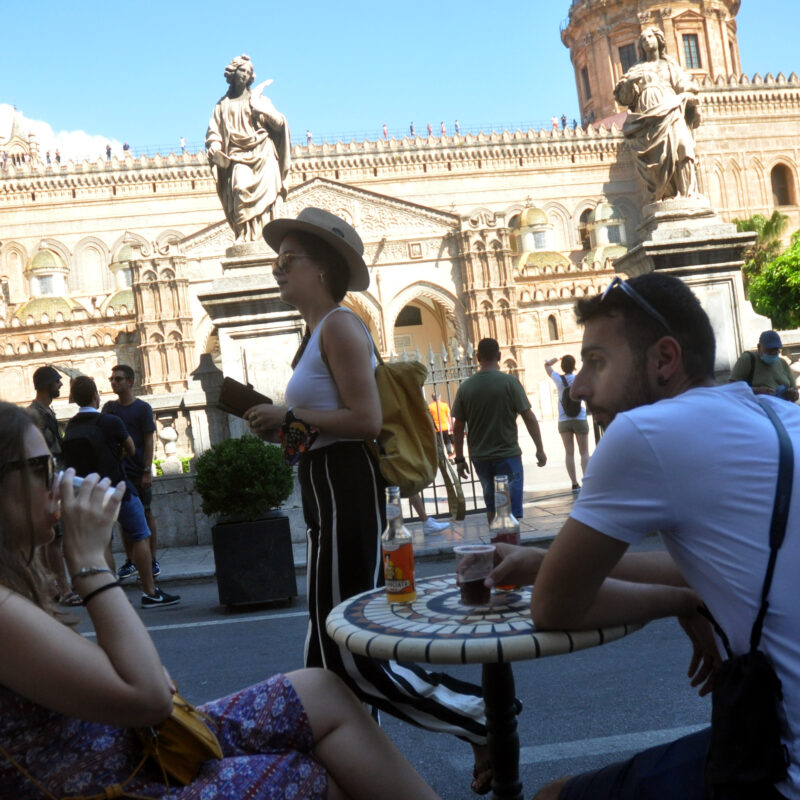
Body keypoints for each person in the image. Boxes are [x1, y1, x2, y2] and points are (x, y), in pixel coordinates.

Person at [0, 400, 443, 800]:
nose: (58, 483)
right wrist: (90, 564)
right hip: (118, 778)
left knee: (323, 691)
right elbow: (150, 697)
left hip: (131, 749)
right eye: (41, 468)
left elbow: (147, 683)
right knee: (306, 775)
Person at [487, 273, 800, 800]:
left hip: (783, 768)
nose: (581, 386)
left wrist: (678, 603)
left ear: (664, 359)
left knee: (547, 797)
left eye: (597, 361)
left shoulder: (644, 433)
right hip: (770, 731)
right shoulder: (778, 412)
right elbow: (712, 568)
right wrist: (546, 563)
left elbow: (552, 608)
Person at [246, 207, 492, 795]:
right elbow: (327, 426)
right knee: (322, 646)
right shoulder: (315, 333)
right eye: (277, 262)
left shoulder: (339, 326)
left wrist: (291, 416)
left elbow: (365, 420)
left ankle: (481, 717)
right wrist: (284, 432)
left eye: (290, 261)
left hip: (349, 489)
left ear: (324, 269)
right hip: (326, 490)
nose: (278, 270)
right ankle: (354, 768)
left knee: (348, 648)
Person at [65, 376, 179, 608]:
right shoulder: (110, 422)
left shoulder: (72, 425)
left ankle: (113, 595)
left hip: (91, 491)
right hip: (118, 488)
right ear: (96, 395)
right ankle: (149, 591)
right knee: (139, 535)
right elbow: (131, 448)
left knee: (105, 542)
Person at [452, 338, 547, 521]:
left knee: (492, 507)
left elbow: (457, 426)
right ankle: (511, 546)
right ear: (500, 356)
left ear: (478, 357)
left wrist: (459, 459)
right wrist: (539, 449)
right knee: (510, 510)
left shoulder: (466, 388)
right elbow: (529, 417)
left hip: (481, 457)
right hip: (508, 455)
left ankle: (497, 546)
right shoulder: (510, 382)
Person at [206, 54, 291, 244]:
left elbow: (279, 124)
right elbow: (214, 132)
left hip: (263, 153)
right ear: (233, 73)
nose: (245, 74)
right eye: (242, 70)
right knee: (239, 188)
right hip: (237, 155)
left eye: (248, 72)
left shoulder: (260, 100)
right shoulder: (222, 106)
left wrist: (262, 111)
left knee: (268, 199)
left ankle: (264, 238)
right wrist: (215, 146)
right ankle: (245, 235)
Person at [613, 26, 701, 201]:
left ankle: (688, 193)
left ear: (659, 40)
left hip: (672, 107)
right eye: (643, 38)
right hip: (647, 117)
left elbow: (684, 84)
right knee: (658, 158)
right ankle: (666, 193)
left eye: (650, 36)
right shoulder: (635, 69)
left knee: (683, 145)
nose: (647, 40)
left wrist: (689, 95)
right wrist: (629, 83)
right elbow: (624, 98)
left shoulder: (669, 65)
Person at [102, 364, 162, 581]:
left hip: (138, 471)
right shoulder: (109, 409)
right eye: (112, 378)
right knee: (124, 519)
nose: (114, 382)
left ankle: (152, 559)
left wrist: (147, 470)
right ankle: (131, 561)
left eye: (118, 379)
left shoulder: (142, 408)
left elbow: (148, 440)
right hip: (118, 473)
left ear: (130, 382)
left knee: (146, 514)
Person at [27, 365, 77, 606]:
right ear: (47, 384)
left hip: (52, 481)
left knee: (53, 539)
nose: (60, 386)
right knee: (54, 539)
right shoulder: (35, 415)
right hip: (45, 483)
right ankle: (64, 588)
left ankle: (52, 587)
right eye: (57, 382)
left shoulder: (46, 412)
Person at [544, 355, 590, 492]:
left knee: (569, 453)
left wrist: (557, 358)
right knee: (584, 453)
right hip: (580, 418)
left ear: (563, 366)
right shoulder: (578, 379)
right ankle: (587, 482)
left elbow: (546, 365)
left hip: (564, 420)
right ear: (574, 365)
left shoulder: (558, 379)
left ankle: (574, 484)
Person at [729, 329, 799, 401]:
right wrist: (757, 391)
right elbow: (732, 388)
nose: (772, 353)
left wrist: (792, 394)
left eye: (776, 350)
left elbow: (795, 394)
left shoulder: (782, 363)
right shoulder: (748, 359)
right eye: (769, 350)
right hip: (758, 407)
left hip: (782, 406)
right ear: (759, 347)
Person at [428, 391, 455, 456]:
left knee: (439, 444)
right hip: (445, 427)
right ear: (440, 397)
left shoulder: (430, 406)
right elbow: (448, 416)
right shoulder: (444, 405)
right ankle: (450, 454)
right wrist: (451, 426)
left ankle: (441, 457)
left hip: (436, 428)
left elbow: (429, 417)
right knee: (447, 441)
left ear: (432, 398)